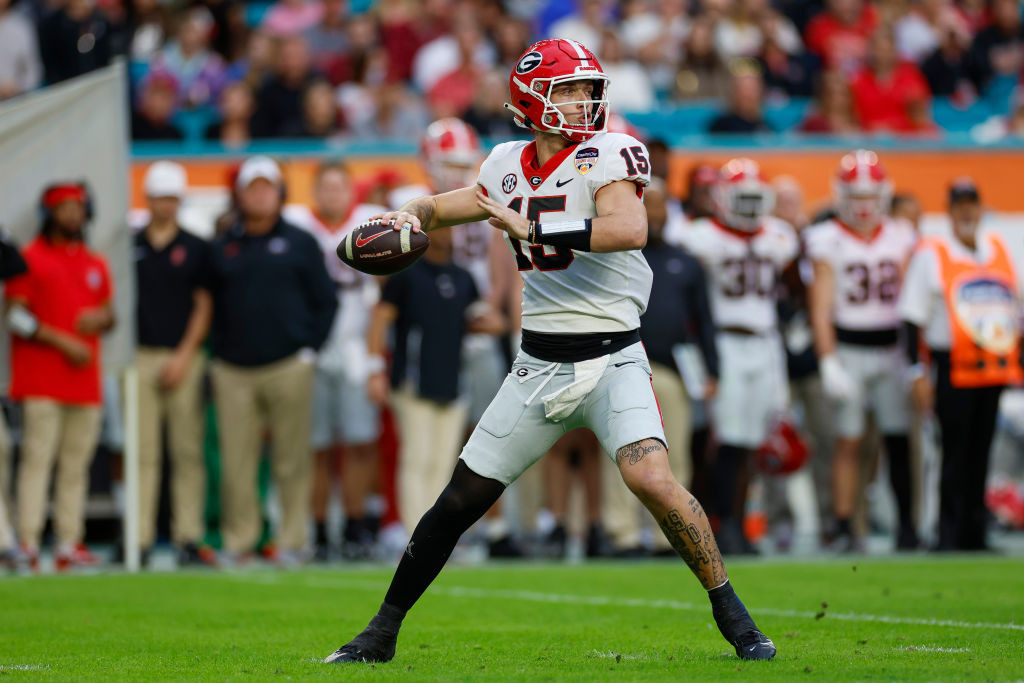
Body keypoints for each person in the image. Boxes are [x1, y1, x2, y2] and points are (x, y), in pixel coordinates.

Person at [324, 38, 775, 665]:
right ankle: (379, 633)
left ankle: (738, 619)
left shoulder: (610, 152)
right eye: (568, 89)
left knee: (651, 478)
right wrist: (413, 213)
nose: (583, 100)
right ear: (530, 99)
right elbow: (450, 206)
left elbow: (629, 228)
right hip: (538, 366)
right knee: (460, 499)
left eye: (589, 89)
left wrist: (532, 227)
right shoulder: (505, 164)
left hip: (613, 357)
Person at [208, 156, 337, 565]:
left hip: (288, 365)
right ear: (240, 194)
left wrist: (308, 350)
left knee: (291, 459)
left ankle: (291, 540)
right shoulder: (222, 244)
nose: (260, 194)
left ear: (280, 192)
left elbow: (326, 301)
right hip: (232, 369)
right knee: (237, 461)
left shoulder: (301, 242)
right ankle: (240, 541)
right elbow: (206, 304)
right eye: (253, 187)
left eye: (267, 187)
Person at [678, 158, 798, 555]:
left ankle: (741, 523)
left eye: (753, 198)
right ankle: (722, 522)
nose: (747, 207)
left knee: (754, 439)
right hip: (724, 343)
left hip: (765, 342)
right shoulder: (700, 235)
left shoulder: (778, 236)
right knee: (726, 437)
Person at [805, 150, 919, 552]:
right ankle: (842, 526)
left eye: (870, 195)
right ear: (841, 195)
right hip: (849, 345)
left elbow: (913, 299)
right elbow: (820, 308)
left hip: (892, 347)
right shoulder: (826, 238)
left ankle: (908, 524)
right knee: (848, 441)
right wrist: (828, 359)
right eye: (856, 195)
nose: (864, 204)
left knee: (900, 439)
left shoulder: (902, 234)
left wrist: (915, 358)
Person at [899, 178, 1021, 551]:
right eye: (960, 205)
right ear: (950, 211)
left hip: (993, 368)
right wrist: (917, 372)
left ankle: (975, 531)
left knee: (982, 450)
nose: (967, 211)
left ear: (980, 208)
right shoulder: (931, 254)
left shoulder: (996, 249)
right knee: (952, 452)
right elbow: (911, 317)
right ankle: (947, 532)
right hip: (952, 366)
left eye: (972, 204)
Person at [603, 177, 718, 556]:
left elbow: (703, 319)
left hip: (671, 370)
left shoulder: (685, 262)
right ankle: (624, 533)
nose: (655, 213)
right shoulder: (614, 255)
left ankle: (673, 534)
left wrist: (712, 370)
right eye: (648, 205)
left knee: (675, 453)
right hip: (621, 367)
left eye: (661, 205)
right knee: (625, 453)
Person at [7, 183, 115, 572]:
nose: (72, 215)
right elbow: (15, 317)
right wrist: (62, 341)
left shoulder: (95, 262)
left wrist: (102, 318)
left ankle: (69, 541)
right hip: (41, 380)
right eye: (63, 208)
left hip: (84, 383)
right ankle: (29, 541)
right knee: (37, 461)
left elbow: (110, 312)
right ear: (48, 213)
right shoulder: (28, 258)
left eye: (78, 207)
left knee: (76, 466)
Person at [284, 161, 385, 561]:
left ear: (351, 191)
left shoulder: (368, 222)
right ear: (314, 191)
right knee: (317, 446)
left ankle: (357, 525)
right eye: (325, 187)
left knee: (361, 441)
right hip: (314, 348)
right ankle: (322, 529)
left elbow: (382, 295)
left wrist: (376, 358)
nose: (332, 195)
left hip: (357, 347)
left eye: (339, 187)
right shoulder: (299, 226)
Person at [134, 161, 215, 567]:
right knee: (142, 452)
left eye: (172, 197)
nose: (166, 204)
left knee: (186, 451)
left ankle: (187, 536)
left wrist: (184, 355)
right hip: (139, 355)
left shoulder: (195, 246)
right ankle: (139, 538)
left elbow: (203, 306)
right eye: (160, 196)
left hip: (184, 355)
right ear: (148, 199)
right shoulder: (130, 245)